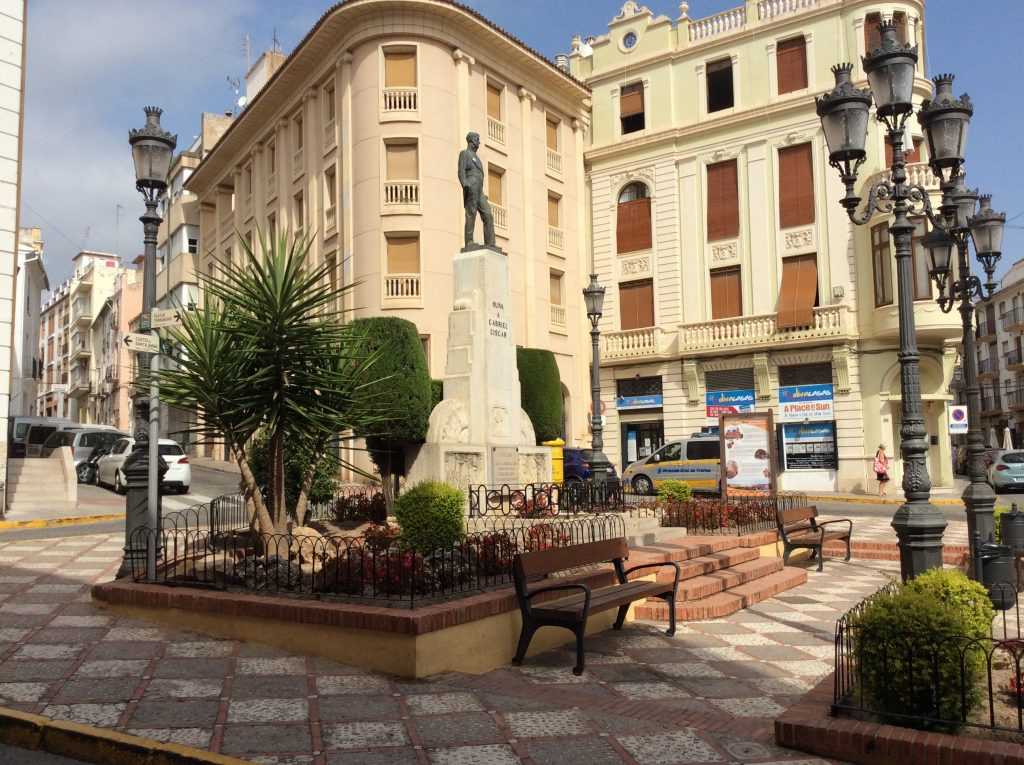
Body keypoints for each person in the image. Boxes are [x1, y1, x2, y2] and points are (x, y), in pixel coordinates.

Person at [457, 131, 496, 249]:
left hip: (479, 191)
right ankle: (469, 241)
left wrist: (481, 192)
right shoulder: (465, 154)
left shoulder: (477, 158)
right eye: (477, 139)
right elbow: (461, 171)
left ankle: (490, 243)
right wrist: (465, 184)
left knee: (488, 215)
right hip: (471, 187)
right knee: (471, 213)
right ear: (472, 141)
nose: (479, 142)